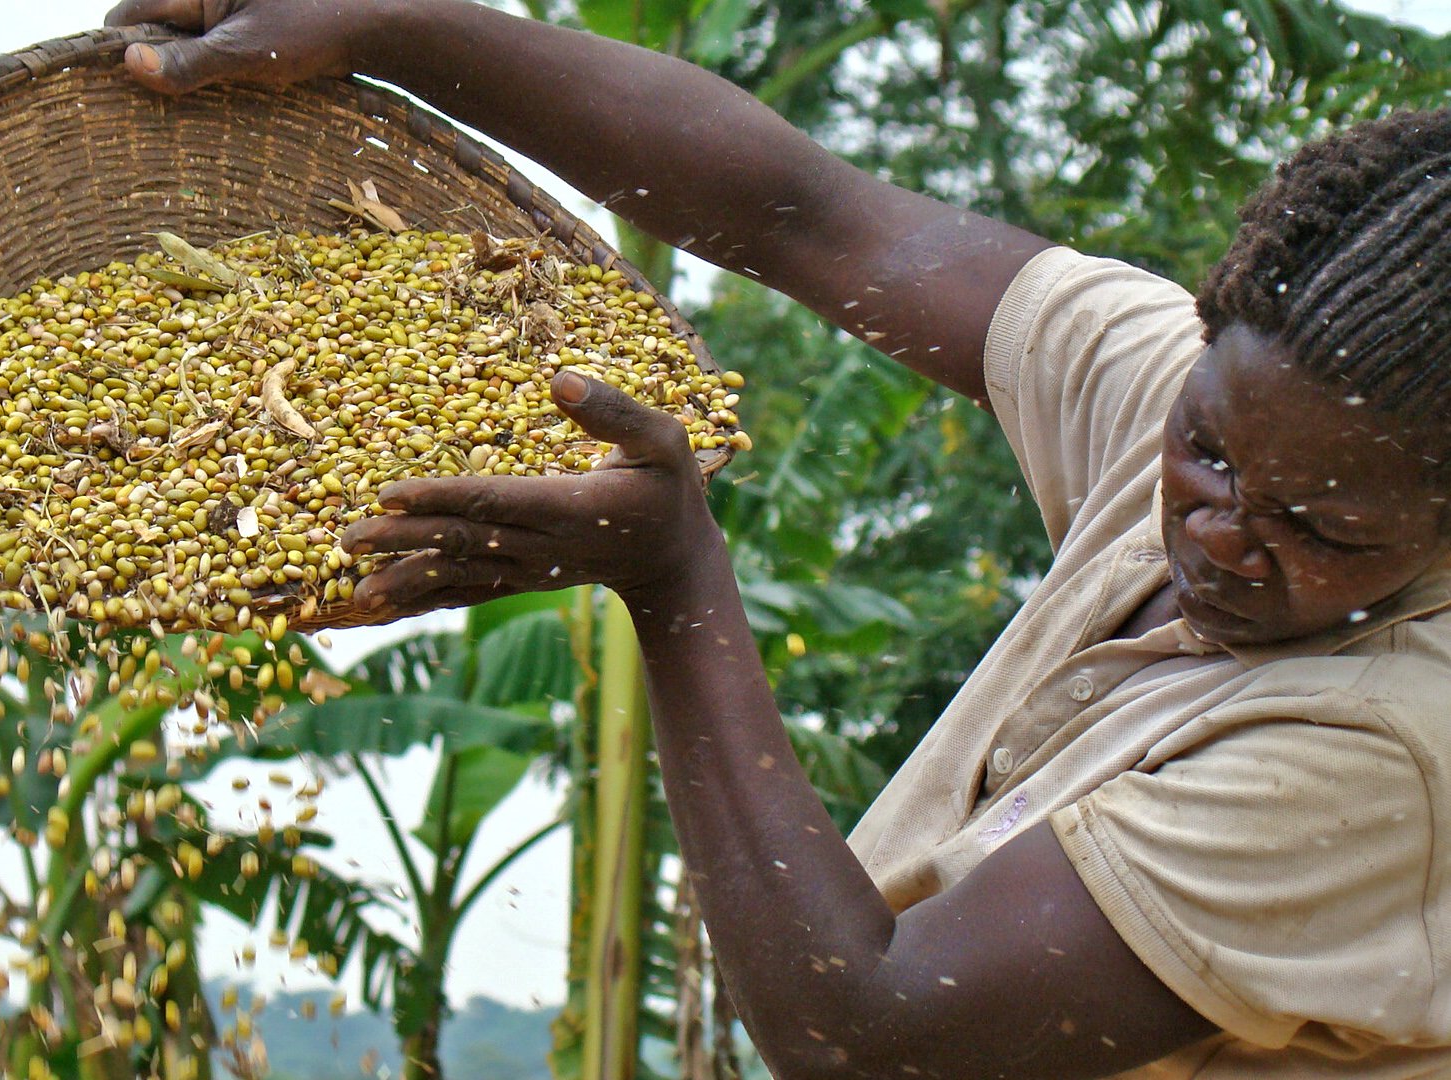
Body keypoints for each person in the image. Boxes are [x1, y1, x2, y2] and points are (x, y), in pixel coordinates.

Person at [103, 2, 1451, 1075]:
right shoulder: (1203, 384)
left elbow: (864, 1031)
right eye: (1205, 451)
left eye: (1319, 527)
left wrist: (677, 579)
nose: (1220, 530)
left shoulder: (1390, 751)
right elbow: (801, 211)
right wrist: (390, 26)